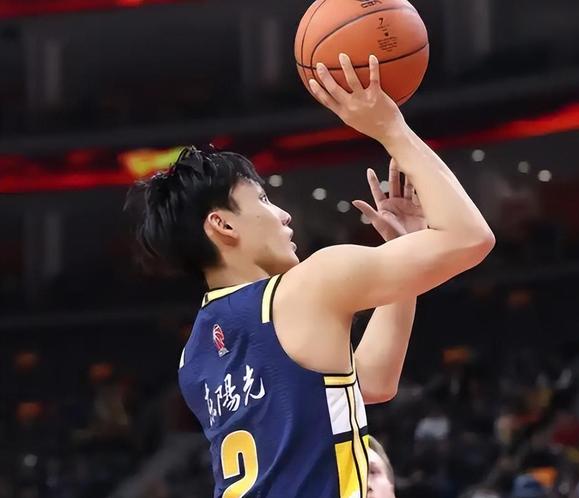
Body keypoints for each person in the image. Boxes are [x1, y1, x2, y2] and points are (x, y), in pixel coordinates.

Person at [125, 54, 495, 498]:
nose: (283, 215)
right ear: (222, 225)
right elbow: (470, 238)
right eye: (263, 200)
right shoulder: (307, 287)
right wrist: (391, 130)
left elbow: (370, 383)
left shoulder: (194, 356)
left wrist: (405, 252)